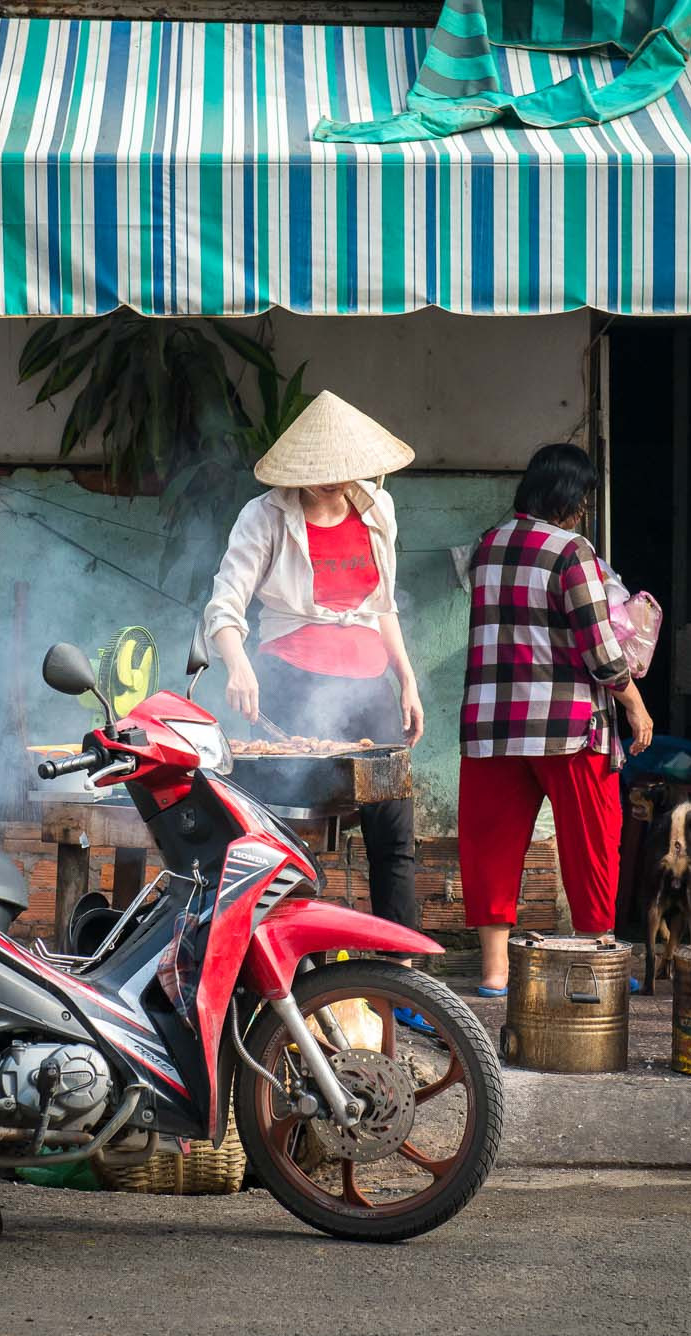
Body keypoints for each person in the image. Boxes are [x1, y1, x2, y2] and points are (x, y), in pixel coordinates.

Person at [204, 392, 425, 938]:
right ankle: (286, 970)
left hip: (370, 690)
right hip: (290, 684)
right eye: (319, 471)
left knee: (393, 832)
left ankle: (401, 977)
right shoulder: (265, 516)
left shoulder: (379, 510)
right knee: (288, 835)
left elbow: (383, 607)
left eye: (342, 470)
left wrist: (407, 682)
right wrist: (237, 665)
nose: (332, 480)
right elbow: (224, 608)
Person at [459, 443, 654, 996]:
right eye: (585, 499)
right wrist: (635, 704)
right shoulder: (572, 552)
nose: (586, 509)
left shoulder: (487, 546)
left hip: (490, 727)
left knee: (490, 845)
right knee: (592, 839)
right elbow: (598, 645)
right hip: (566, 726)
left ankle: (495, 972)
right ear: (571, 497)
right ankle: (595, 964)